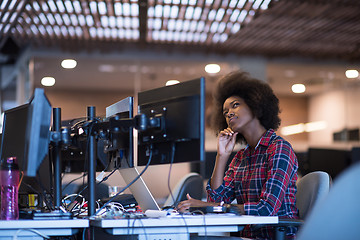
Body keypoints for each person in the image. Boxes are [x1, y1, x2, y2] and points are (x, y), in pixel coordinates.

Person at [176, 71, 299, 239]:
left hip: (274, 236)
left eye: (235, 105)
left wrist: (210, 206)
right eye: (225, 112)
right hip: (246, 236)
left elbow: (266, 209)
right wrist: (222, 156)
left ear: (255, 104)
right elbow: (217, 197)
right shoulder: (241, 157)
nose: (229, 114)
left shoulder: (279, 149)